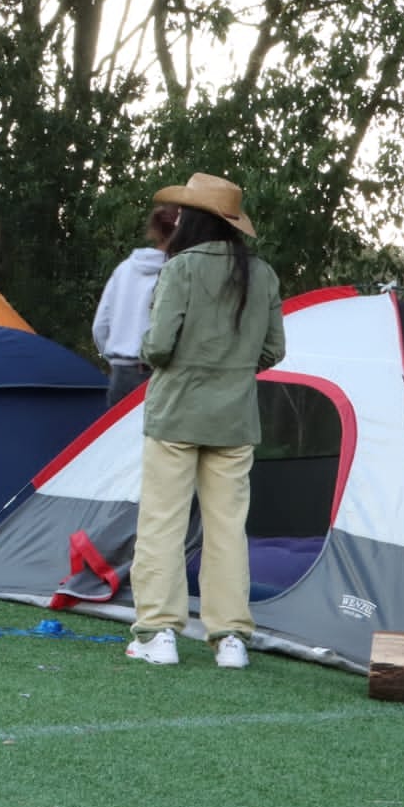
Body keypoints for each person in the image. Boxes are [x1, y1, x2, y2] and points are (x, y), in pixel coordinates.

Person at [125, 173, 285, 670]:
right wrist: (233, 370)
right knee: (227, 530)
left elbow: (157, 345)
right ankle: (231, 638)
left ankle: (158, 632)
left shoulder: (181, 268)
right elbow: (274, 350)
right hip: (235, 418)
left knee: (162, 524)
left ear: (192, 219)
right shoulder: (264, 274)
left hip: (176, 412)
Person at [92, 203, 179, 406]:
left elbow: (100, 327)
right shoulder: (176, 273)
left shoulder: (124, 269)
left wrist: (117, 358)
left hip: (120, 375)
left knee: (118, 438)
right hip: (157, 375)